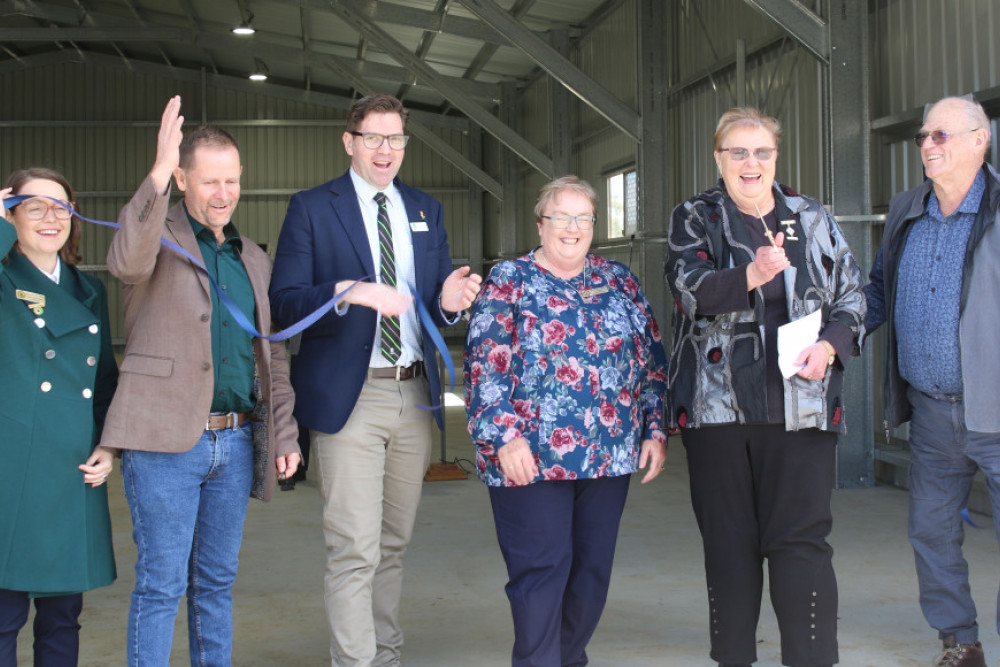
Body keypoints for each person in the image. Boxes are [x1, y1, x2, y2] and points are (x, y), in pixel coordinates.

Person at [269, 92, 481, 666]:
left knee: (393, 545)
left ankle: (384, 655)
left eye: (395, 139)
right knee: (354, 549)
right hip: (350, 394)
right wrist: (348, 292)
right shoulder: (313, 207)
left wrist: (452, 302)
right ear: (350, 141)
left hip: (413, 393)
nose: (385, 150)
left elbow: (432, 307)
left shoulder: (425, 208)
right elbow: (284, 304)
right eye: (373, 138)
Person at [99, 95, 301, 666]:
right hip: (164, 443)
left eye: (231, 181)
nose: (222, 193)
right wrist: (157, 172)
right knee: (162, 586)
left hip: (235, 442)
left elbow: (273, 359)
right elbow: (123, 262)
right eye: (209, 180)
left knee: (215, 586)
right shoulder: (155, 237)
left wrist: (283, 434)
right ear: (184, 179)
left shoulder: (253, 259)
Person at [664, 107, 865, 667]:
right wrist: (751, 274)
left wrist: (828, 347)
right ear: (719, 158)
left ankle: (811, 658)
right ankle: (733, 658)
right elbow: (689, 290)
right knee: (730, 550)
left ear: (776, 157)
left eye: (762, 152)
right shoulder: (695, 217)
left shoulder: (812, 216)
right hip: (718, 414)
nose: (751, 163)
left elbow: (852, 298)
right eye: (738, 152)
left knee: (802, 545)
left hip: (801, 410)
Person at [464, 175, 668, 666]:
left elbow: (651, 359)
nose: (573, 228)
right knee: (540, 572)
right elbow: (485, 363)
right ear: (541, 223)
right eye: (562, 216)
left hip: (608, 455)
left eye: (584, 218)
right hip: (529, 457)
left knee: (591, 572)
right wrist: (505, 438)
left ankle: (566, 659)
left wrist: (655, 427)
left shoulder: (619, 280)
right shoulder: (509, 281)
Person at [865, 96, 998, 667]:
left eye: (941, 135)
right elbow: (875, 291)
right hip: (932, 414)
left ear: (979, 141)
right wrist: (830, 338)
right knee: (932, 532)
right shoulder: (906, 209)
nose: (927, 145)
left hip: (995, 411)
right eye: (923, 136)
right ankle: (959, 642)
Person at [0, 169, 118, 665]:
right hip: (11, 471)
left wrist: (109, 445)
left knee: (62, 618)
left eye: (62, 207)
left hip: (74, 469)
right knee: (4, 619)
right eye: (34, 207)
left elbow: (106, 382)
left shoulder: (88, 290)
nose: (52, 218)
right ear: (10, 215)